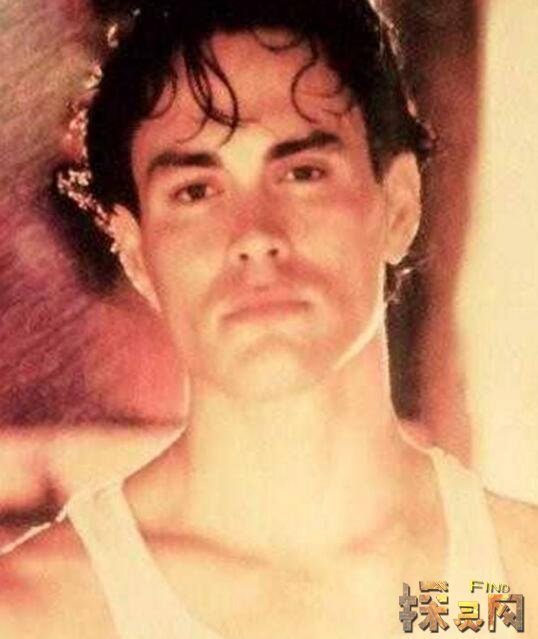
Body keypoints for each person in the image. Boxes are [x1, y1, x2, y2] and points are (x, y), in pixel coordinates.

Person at [1, 1, 537, 637]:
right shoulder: (40, 613)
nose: (254, 235)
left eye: (302, 172)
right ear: (137, 253)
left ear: (398, 205)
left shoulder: (514, 590)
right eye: (196, 191)